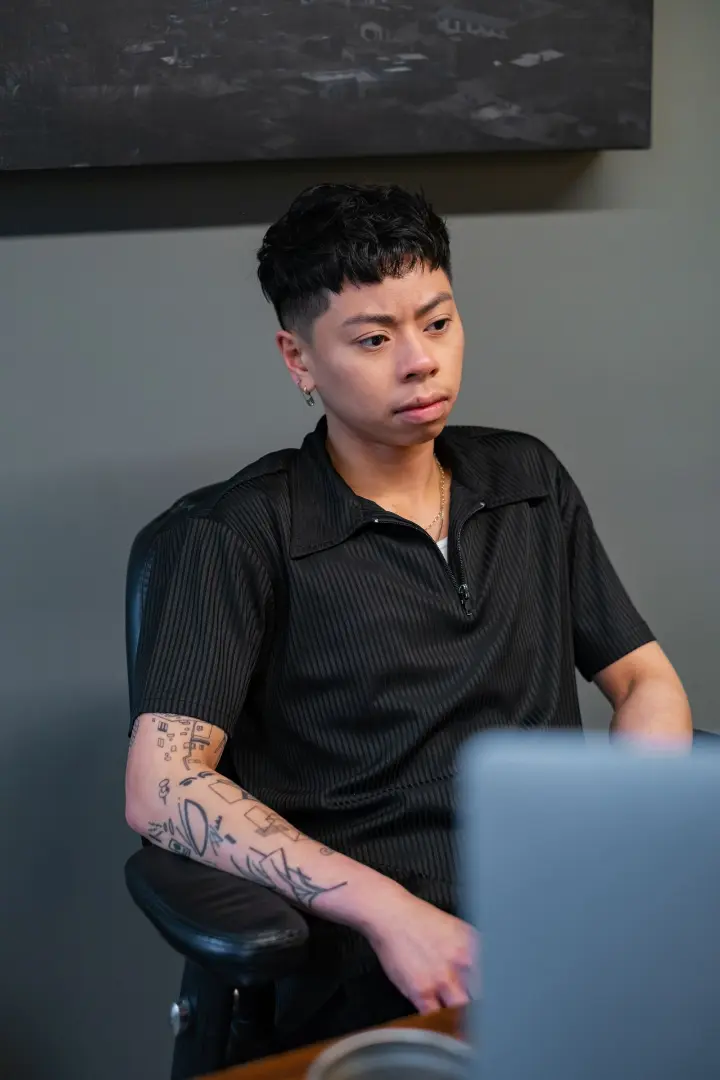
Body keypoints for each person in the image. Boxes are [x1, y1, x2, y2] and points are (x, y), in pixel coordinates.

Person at [124, 182, 692, 1049]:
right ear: (298, 358)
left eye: (437, 321)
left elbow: (644, 677)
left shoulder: (526, 482)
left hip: (561, 925)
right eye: (374, 339)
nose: (421, 361)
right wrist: (391, 915)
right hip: (365, 964)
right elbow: (162, 788)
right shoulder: (237, 535)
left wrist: (621, 853)